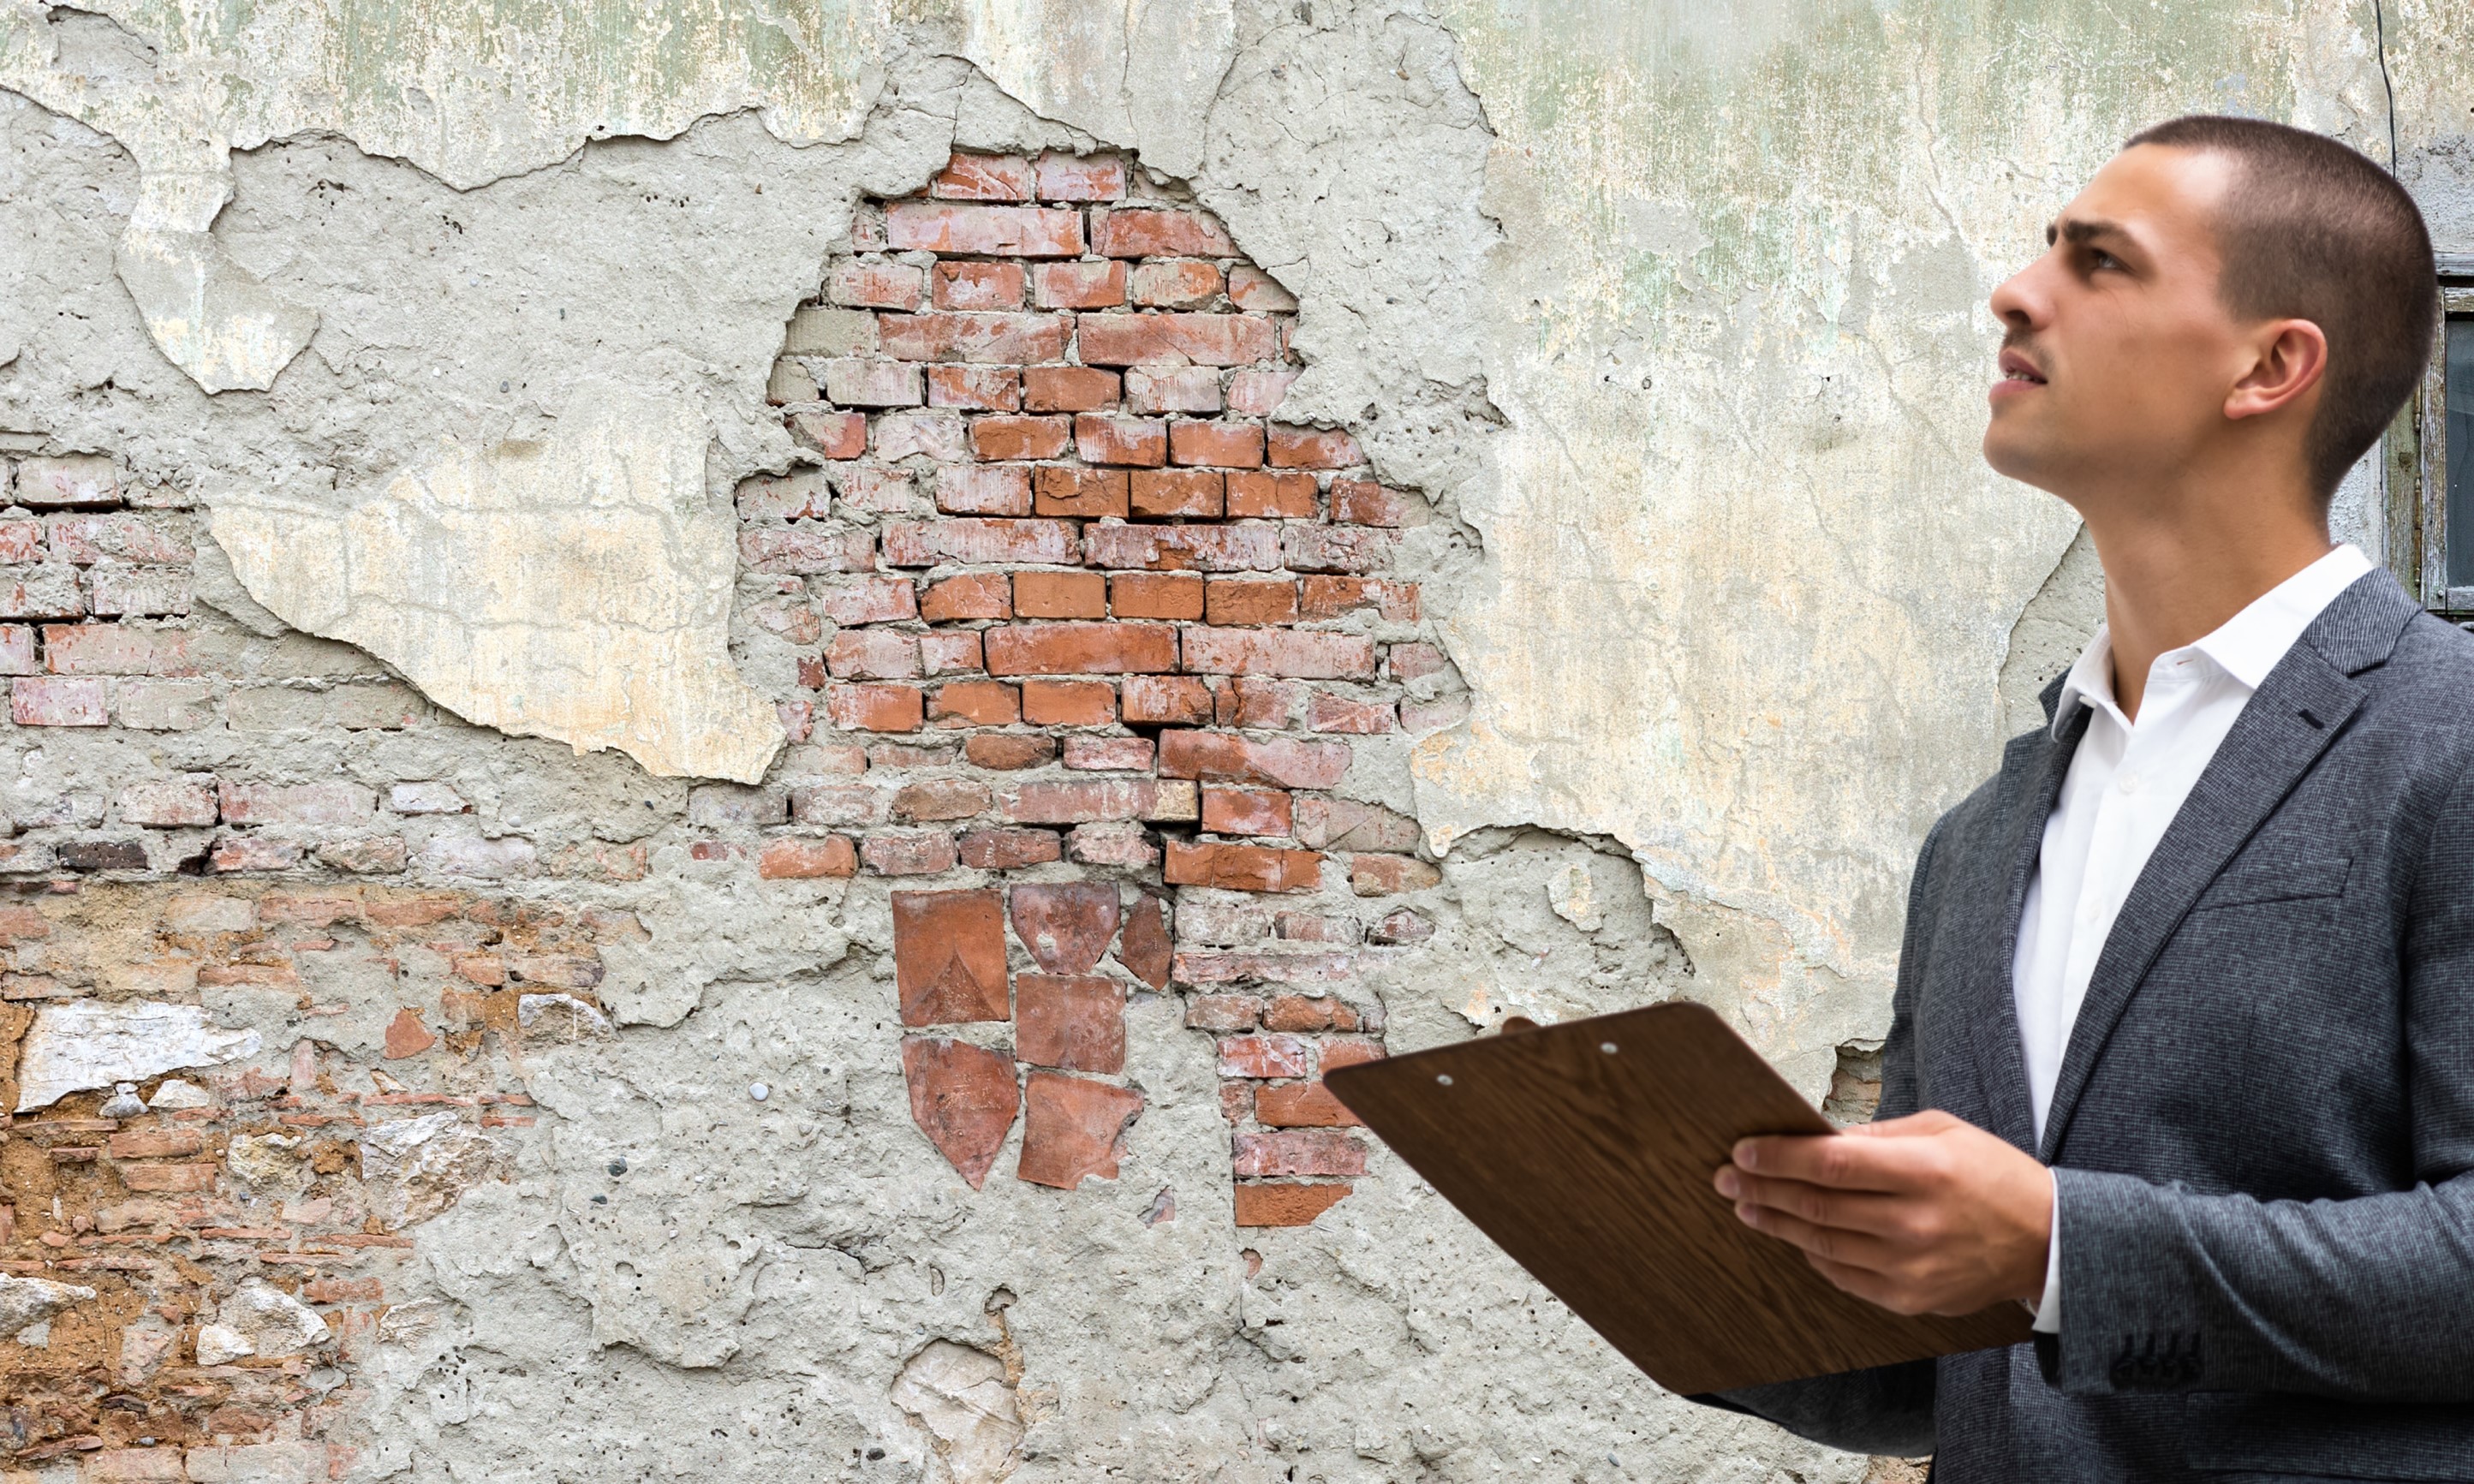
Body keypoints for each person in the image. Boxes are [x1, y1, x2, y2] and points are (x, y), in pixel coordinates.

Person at [1691, 116, 2467, 1479]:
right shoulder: (1979, 837)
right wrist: (1692, 1264)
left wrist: (2059, 1243)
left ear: (2269, 363)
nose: (2013, 291)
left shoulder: (2446, 739)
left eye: (2097, 261)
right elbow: (1975, 1352)